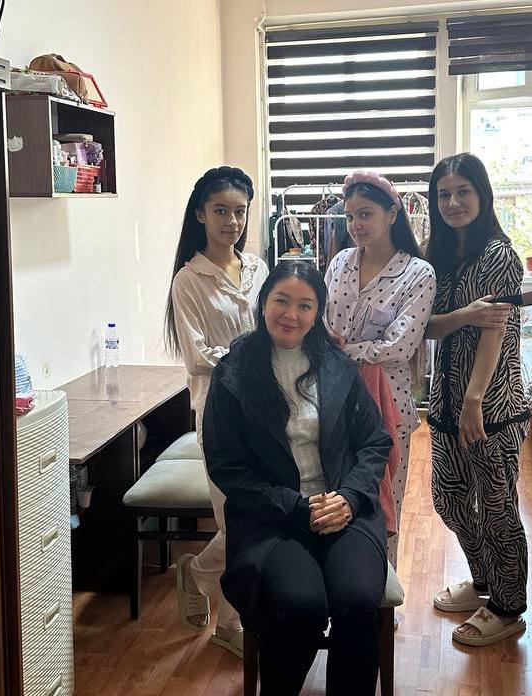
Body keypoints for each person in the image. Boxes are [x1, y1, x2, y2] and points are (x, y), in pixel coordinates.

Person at [203, 260, 391, 696]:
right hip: (271, 518)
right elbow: (228, 466)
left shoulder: (338, 366)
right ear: (263, 303)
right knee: (299, 605)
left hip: (344, 510)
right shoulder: (233, 372)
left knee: (358, 602)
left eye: (305, 305)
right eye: (282, 301)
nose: (291, 314)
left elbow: (374, 442)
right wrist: (296, 507)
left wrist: (348, 497)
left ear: (317, 312)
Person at [425, 153, 531, 646]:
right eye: (444, 194)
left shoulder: (498, 255)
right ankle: (484, 579)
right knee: (448, 499)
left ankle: (508, 608)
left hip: (491, 407)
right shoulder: (438, 257)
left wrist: (474, 399)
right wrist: (464, 315)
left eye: (462, 191)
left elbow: (495, 329)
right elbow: (426, 327)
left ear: (482, 195)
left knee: (496, 508)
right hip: (445, 405)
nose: (453, 202)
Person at [164, 165, 269, 657]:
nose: (232, 221)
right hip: (220, 416)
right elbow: (196, 357)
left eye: (240, 211)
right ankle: (229, 623)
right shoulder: (189, 280)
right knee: (234, 522)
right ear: (201, 214)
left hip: (268, 413)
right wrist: (251, 360)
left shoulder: (259, 269)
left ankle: (198, 574)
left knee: (258, 516)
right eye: (221, 210)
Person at [323, 171, 437, 565]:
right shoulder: (340, 263)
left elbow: (400, 346)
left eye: (365, 214)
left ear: (391, 215)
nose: (356, 224)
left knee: (385, 501)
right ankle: (340, 581)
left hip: (388, 403)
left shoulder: (418, 273)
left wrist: (342, 350)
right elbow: (322, 322)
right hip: (332, 400)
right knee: (334, 495)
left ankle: (381, 587)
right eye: (350, 216)